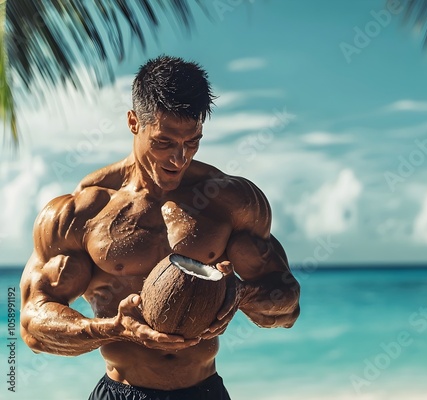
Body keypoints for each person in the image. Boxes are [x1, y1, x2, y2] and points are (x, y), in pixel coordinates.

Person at [20, 55, 300, 400]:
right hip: (121, 392)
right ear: (134, 122)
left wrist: (240, 295)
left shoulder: (230, 202)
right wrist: (113, 329)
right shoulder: (83, 213)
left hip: (204, 391)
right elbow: (33, 327)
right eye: (164, 142)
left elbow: (288, 306)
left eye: (192, 141)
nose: (179, 158)